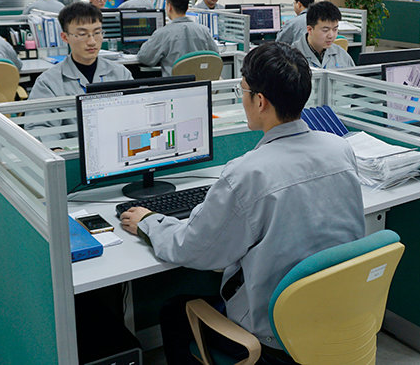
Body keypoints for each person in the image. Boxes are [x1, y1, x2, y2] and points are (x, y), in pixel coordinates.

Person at [119, 41, 366, 365]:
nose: (242, 98)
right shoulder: (340, 148)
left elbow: (192, 248)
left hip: (274, 338)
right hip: (336, 317)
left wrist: (149, 222)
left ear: (260, 101)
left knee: (174, 311)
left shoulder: (247, 173)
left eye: (243, 91)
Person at [27, 2, 134, 143]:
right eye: (83, 34)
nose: (92, 42)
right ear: (65, 37)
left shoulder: (121, 74)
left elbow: (134, 117)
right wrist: (56, 148)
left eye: (97, 33)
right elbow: (39, 128)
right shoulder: (48, 83)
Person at [137, 0, 219, 76]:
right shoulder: (204, 30)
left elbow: (144, 58)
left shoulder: (163, 33)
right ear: (187, 7)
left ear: (169, 7)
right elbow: (215, 56)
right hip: (200, 83)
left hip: (175, 83)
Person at [291, 1, 355, 69]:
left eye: (335, 29)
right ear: (310, 30)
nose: (331, 35)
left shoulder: (341, 54)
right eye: (325, 30)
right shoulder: (291, 56)